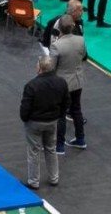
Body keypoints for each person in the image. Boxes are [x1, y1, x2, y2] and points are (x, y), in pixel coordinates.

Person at [19, 56, 69, 190]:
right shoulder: (61, 82)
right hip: (52, 121)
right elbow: (66, 102)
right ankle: (54, 177)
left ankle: (34, 181)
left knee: (34, 151)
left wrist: (25, 119)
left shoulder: (32, 85)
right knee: (51, 148)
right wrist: (58, 115)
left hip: (34, 122)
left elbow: (25, 107)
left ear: (39, 68)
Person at [50, 15, 87, 152]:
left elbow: (51, 67)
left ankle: (59, 145)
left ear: (59, 28)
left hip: (62, 84)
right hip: (77, 81)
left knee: (60, 114)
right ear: (73, 27)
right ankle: (80, 139)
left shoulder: (56, 46)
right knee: (76, 110)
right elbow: (83, 56)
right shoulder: (81, 40)